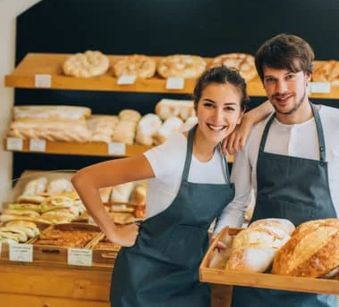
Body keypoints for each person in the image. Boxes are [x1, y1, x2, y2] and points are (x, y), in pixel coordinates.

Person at [214, 33, 339, 307]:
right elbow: (237, 203)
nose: (280, 88)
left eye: (290, 76)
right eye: (271, 79)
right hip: (255, 281)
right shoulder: (252, 133)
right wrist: (222, 237)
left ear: (308, 76)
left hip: (317, 283)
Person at [71, 65, 249, 307]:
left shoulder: (223, 153)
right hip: (143, 283)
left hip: (191, 279)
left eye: (229, 108)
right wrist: (113, 232)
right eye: (209, 105)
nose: (218, 118)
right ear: (195, 106)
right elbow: (84, 179)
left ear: (240, 115)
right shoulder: (170, 155)